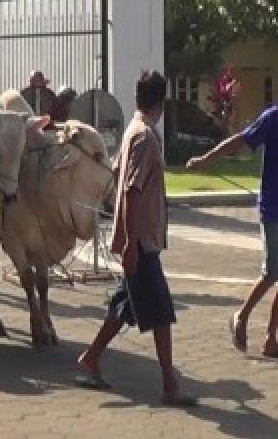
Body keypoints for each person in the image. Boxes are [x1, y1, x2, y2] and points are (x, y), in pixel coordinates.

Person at [187, 64, 278, 361]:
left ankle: (271, 340)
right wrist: (207, 159)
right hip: (273, 206)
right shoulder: (275, 117)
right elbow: (241, 139)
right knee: (274, 271)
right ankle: (241, 315)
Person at [75, 70, 197, 407]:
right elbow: (130, 190)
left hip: (140, 239)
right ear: (162, 101)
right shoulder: (144, 137)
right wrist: (129, 242)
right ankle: (170, 384)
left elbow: (118, 175)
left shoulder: (134, 131)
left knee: (125, 306)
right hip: (140, 241)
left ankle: (91, 358)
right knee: (160, 312)